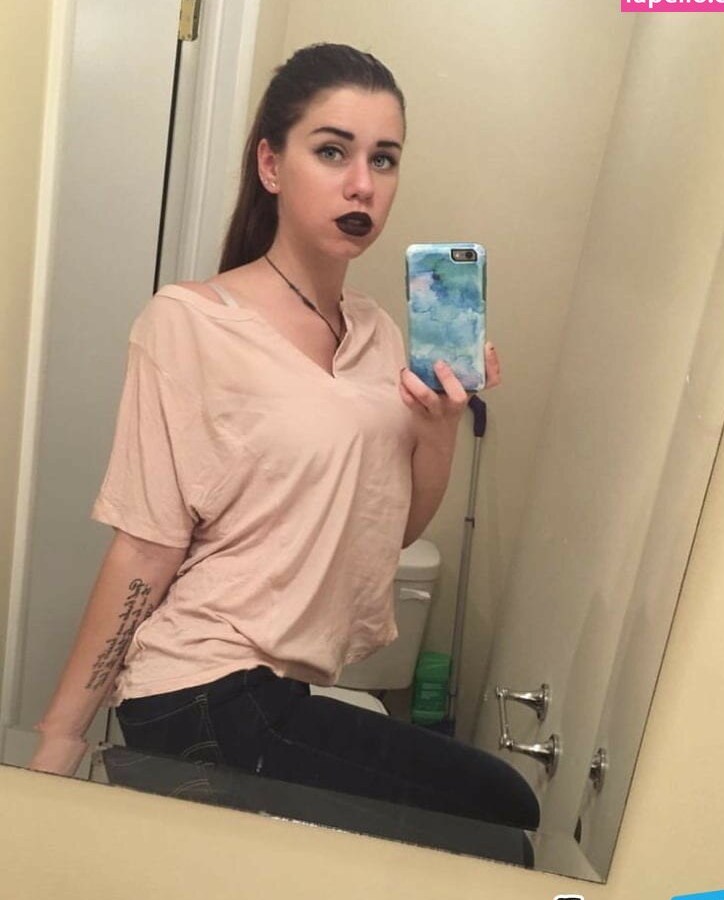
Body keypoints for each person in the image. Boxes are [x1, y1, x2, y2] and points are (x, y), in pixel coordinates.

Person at [30, 43, 539, 833]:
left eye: (384, 159)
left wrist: (439, 431)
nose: (362, 183)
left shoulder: (377, 333)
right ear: (271, 164)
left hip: (276, 691)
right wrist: (59, 739)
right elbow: (144, 547)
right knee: (502, 807)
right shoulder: (191, 321)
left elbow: (386, 529)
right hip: (198, 687)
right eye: (332, 151)